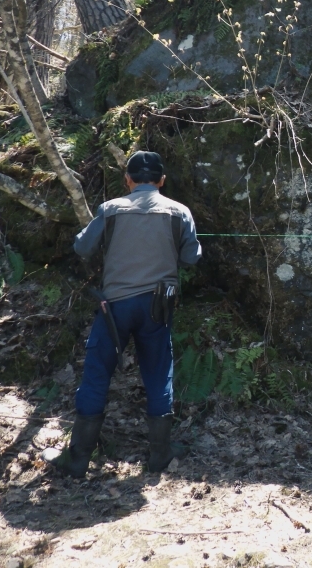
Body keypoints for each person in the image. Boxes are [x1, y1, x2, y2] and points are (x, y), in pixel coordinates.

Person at [48, 151, 201, 477]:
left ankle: (78, 459)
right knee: (158, 373)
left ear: (128, 180)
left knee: (96, 374)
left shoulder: (111, 209)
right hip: (157, 307)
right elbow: (191, 257)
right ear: (162, 180)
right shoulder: (180, 212)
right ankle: (159, 455)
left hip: (114, 307)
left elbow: (82, 248)